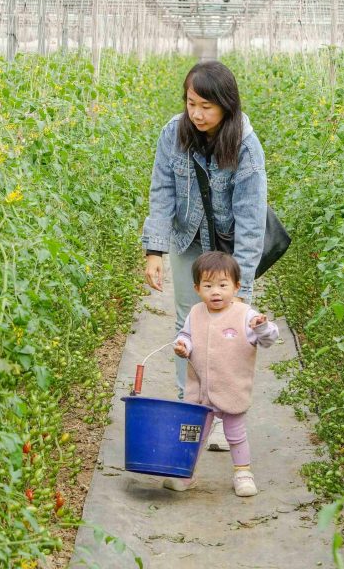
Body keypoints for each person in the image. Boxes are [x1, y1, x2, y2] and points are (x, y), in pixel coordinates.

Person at [141, 61, 268, 451]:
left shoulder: (245, 144)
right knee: (189, 324)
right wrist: (154, 250)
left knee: (230, 332)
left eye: (206, 106)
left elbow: (251, 215)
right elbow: (161, 191)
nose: (196, 113)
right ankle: (193, 411)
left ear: (226, 106)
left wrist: (242, 284)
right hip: (187, 238)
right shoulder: (173, 133)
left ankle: (224, 410)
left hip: (228, 244)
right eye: (191, 103)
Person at [167, 251, 278, 496]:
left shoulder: (245, 315)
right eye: (208, 286)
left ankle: (243, 473)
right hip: (200, 390)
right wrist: (183, 346)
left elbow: (270, 338)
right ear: (197, 288)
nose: (215, 292)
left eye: (222, 285)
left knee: (235, 434)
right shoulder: (195, 313)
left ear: (237, 287)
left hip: (231, 387)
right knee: (192, 433)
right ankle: (185, 474)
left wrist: (262, 327)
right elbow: (186, 335)